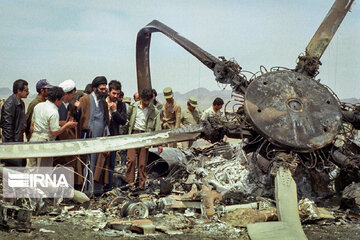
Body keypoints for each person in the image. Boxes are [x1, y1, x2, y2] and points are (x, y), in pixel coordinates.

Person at [75, 76, 110, 195]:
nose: (104, 91)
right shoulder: (85, 100)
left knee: (97, 165)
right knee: (87, 163)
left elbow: (105, 121)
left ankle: (95, 191)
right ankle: (86, 191)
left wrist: (106, 135)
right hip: (87, 138)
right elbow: (80, 119)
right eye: (101, 89)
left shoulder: (104, 103)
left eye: (105, 89)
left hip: (99, 139)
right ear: (94, 88)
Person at [27, 86, 77, 167]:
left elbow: (32, 125)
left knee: (32, 170)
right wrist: (67, 125)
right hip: (45, 142)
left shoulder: (38, 106)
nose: (61, 102)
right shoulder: (54, 111)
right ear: (57, 100)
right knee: (43, 172)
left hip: (34, 139)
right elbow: (54, 132)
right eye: (61, 100)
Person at [126, 88, 162, 189]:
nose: (147, 102)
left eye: (149, 100)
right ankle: (130, 183)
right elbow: (127, 119)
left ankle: (140, 185)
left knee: (142, 163)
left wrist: (160, 143)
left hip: (145, 138)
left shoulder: (155, 112)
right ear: (141, 98)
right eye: (145, 100)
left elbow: (158, 128)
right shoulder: (133, 107)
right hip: (133, 136)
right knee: (131, 160)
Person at [54, 79, 83, 187]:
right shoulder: (58, 106)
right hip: (59, 144)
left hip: (68, 143)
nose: (73, 97)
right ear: (66, 94)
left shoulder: (70, 106)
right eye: (72, 95)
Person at [105, 80, 127, 190]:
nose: (115, 96)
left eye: (117, 94)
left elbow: (123, 121)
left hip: (113, 137)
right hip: (101, 137)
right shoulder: (102, 102)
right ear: (109, 91)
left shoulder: (121, 105)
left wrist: (114, 111)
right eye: (113, 93)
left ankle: (108, 187)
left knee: (111, 163)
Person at [0, 79, 29, 143]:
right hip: (12, 140)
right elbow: (7, 126)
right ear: (19, 91)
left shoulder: (21, 103)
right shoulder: (10, 103)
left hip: (18, 138)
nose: (28, 92)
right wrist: (12, 143)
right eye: (26, 90)